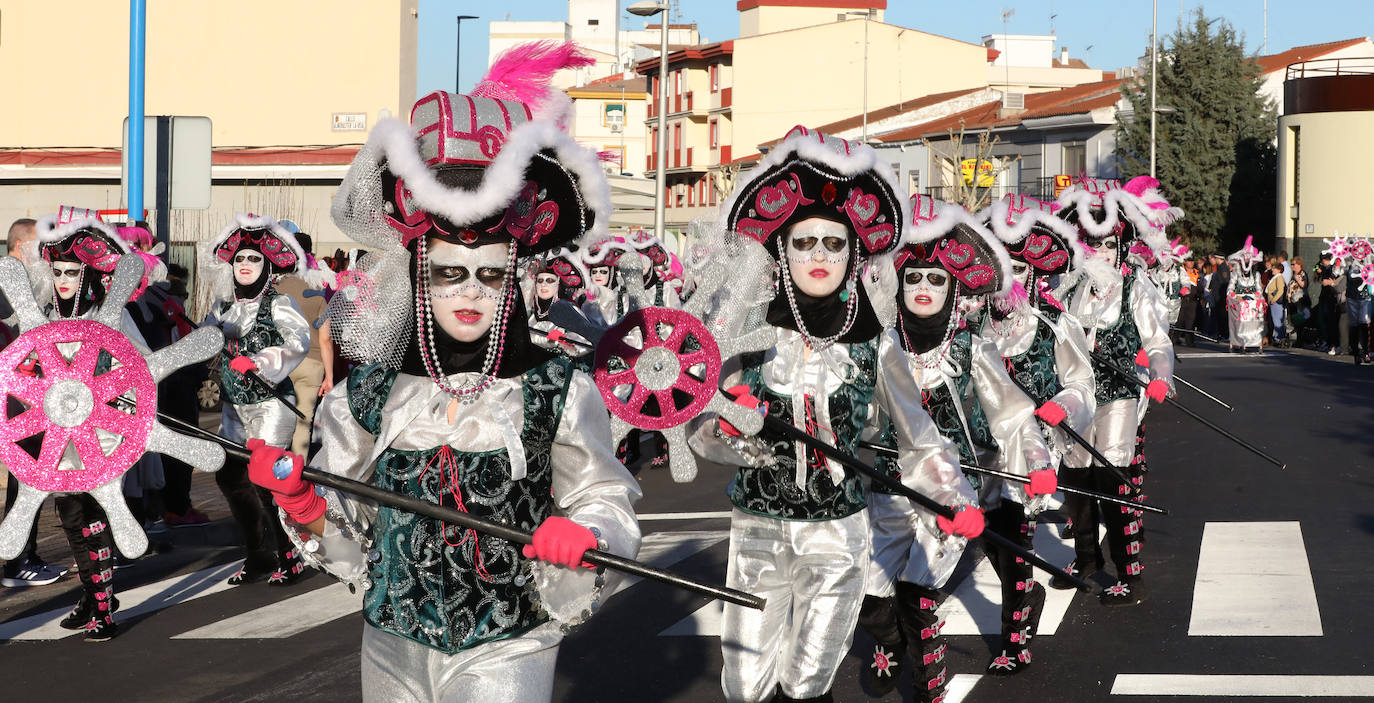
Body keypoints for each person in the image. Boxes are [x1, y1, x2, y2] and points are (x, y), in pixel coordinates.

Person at [250, 42, 642, 703]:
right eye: (449, 273)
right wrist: (306, 503)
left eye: (489, 274)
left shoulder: (557, 389)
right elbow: (352, 534)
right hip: (391, 642)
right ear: (420, 275)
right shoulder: (370, 391)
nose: (469, 293)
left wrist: (587, 533)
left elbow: (605, 500)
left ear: (512, 276)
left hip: (509, 640)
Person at [694, 126, 970, 703]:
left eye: (834, 244)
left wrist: (954, 498)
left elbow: (918, 438)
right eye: (805, 242)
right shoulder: (746, 338)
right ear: (781, 249)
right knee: (743, 688)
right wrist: (732, 434)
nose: (819, 256)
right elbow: (697, 429)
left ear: (853, 253)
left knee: (806, 682)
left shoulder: (877, 343)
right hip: (756, 533)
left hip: (836, 536)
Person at [858, 194, 1058, 694]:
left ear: (953, 288)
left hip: (969, 483)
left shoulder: (972, 346)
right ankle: (894, 637)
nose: (923, 288)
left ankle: (938, 682)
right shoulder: (876, 345)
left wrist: (1035, 459)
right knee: (867, 596)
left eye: (936, 279)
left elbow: (1011, 415)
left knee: (931, 581)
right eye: (914, 278)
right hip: (892, 487)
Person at [30, 207, 161, 640]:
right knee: (68, 510)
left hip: (102, 431)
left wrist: (118, 392)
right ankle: (92, 595)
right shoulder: (49, 318)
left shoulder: (111, 315)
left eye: (72, 272)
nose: (63, 280)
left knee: (93, 510)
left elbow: (141, 364)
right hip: (60, 430)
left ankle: (104, 608)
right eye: (58, 272)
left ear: (87, 276)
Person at [1057, 176, 1177, 606]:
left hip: (1120, 393)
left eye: (1108, 246)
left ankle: (1129, 571)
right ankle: (1087, 558)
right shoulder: (1067, 290)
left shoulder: (1135, 289)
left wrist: (1161, 376)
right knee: (1075, 476)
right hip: (1077, 394)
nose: (1101, 254)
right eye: (1093, 246)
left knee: (1113, 477)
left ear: (1121, 249)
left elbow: (1158, 342)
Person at [201, 214, 319, 586]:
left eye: (254, 259)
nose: (246, 266)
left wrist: (260, 362)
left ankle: (290, 555)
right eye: (239, 260)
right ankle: (258, 553)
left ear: (267, 266)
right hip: (234, 408)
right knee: (231, 478)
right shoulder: (221, 308)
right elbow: (200, 343)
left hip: (270, 404)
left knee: (267, 479)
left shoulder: (280, 303)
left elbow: (298, 342)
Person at [0, 217, 71, 587]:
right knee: (27, 480)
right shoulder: (5, 290)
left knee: (30, 480)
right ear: (18, 248)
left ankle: (24, 556)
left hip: (29, 401)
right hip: (14, 402)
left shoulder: (31, 289)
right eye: (37, 248)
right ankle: (17, 561)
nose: (43, 256)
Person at [274, 232, 332, 456]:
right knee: (303, 423)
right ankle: (296, 476)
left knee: (277, 420)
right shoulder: (318, 289)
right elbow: (326, 338)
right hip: (313, 362)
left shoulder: (275, 288)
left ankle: (271, 472)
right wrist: (329, 376)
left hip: (282, 360)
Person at [1225, 238, 1265, 353]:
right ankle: (1239, 342)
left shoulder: (1256, 275)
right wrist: (1237, 297)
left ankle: (1256, 342)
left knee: (1254, 323)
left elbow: (1259, 290)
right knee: (1240, 322)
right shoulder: (1235, 275)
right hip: (1239, 305)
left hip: (1252, 306)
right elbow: (1230, 290)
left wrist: (1256, 296)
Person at [1265, 259, 1289, 347]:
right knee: (1278, 321)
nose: (1272, 270)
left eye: (1274, 268)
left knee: (1277, 321)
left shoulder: (1278, 277)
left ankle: (1279, 338)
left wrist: (1273, 300)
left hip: (1276, 303)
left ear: (1279, 270)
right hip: (1274, 303)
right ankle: (1279, 338)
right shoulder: (1276, 277)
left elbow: (1280, 290)